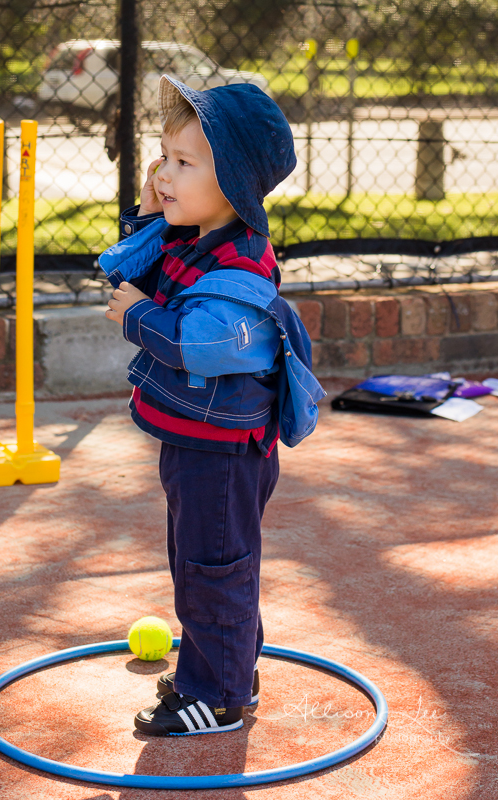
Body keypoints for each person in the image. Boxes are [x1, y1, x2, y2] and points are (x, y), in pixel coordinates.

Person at [101, 75, 325, 737]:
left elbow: (203, 343)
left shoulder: (238, 269)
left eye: (183, 163)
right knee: (206, 562)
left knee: (213, 567)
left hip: (221, 455)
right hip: (197, 445)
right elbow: (133, 267)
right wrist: (149, 211)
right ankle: (227, 666)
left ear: (233, 184)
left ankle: (220, 697)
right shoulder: (197, 236)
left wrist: (141, 317)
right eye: (163, 158)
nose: (164, 174)